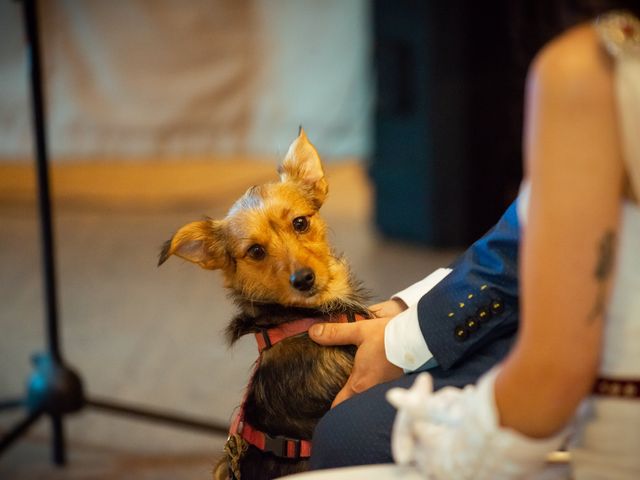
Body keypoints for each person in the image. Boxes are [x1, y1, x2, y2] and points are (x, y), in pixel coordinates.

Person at [308, 6, 640, 479]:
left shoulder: (594, 65)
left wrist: (441, 446)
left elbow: (552, 379)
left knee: (348, 435)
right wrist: (411, 315)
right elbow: (527, 231)